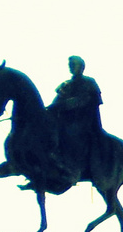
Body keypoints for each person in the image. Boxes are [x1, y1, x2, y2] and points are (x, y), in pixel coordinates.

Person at [45, 54, 105, 184]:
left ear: (81, 67)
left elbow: (91, 99)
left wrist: (70, 103)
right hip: (65, 121)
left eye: (74, 65)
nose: (72, 68)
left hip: (83, 122)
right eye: (70, 66)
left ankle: (74, 168)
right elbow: (57, 101)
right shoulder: (66, 85)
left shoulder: (89, 83)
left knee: (70, 133)